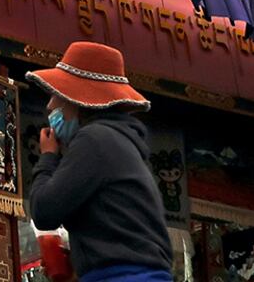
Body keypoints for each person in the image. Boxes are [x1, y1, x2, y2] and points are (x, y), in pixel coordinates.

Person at [26, 42, 173, 282]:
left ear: (78, 100)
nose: (50, 105)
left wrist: (48, 157)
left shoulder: (95, 139)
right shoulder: (118, 142)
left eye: (57, 95)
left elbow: (44, 210)